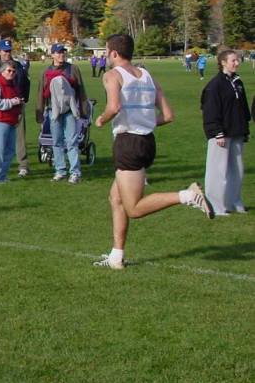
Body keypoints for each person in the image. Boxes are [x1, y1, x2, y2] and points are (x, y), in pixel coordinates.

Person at [93, 34, 214, 270]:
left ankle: (188, 195)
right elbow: (168, 116)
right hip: (147, 142)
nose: (106, 56)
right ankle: (116, 257)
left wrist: (101, 119)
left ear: (114, 53)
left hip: (128, 144)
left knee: (134, 208)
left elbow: (114, 107)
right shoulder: (148, 76)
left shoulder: (112, 75)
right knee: (115, 198)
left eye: (106, 51)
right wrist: (145, 122)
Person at [201, 49, 251, 215]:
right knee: (218, 170)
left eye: (237, 60)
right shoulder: (215, 85)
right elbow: (210, 111)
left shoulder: (238, 82)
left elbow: (243, 108)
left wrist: (245, 129)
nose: (237, 63)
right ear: (223, 62)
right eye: (233, 60)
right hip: (222, 134)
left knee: (237, 170)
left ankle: (233, 202)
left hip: (237, 131)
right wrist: (217, 132)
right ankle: (216, 205)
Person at [36, 43, 90, 184]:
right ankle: (60, 170)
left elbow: (80, 89)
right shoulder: (46, 72)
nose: (61, 55)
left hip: (70, 111)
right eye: (58, 52)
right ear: (52, 54)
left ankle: (75, 172)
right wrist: (40, 113)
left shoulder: (73, 69)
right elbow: (41, 93)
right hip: (53, 111)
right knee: (57, 142)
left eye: (63, 52)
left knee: (72, 141)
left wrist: (84, 109)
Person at [0, 39, 31, 177]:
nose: (7, 53)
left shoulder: (18, 66)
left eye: (9, 51)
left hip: (16, 107)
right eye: (4, 51)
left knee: (19, 138)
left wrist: (23, 100)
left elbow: (25, 84)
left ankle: (23, 165)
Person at [0, 61, 24, 184]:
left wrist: (18, 110)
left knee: (10, 151)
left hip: (11, 121)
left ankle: (2, 176)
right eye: (9, 71)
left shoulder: (13, 85)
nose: (12, 73)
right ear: (2, 71)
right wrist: (12, 102)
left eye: (13, 71)